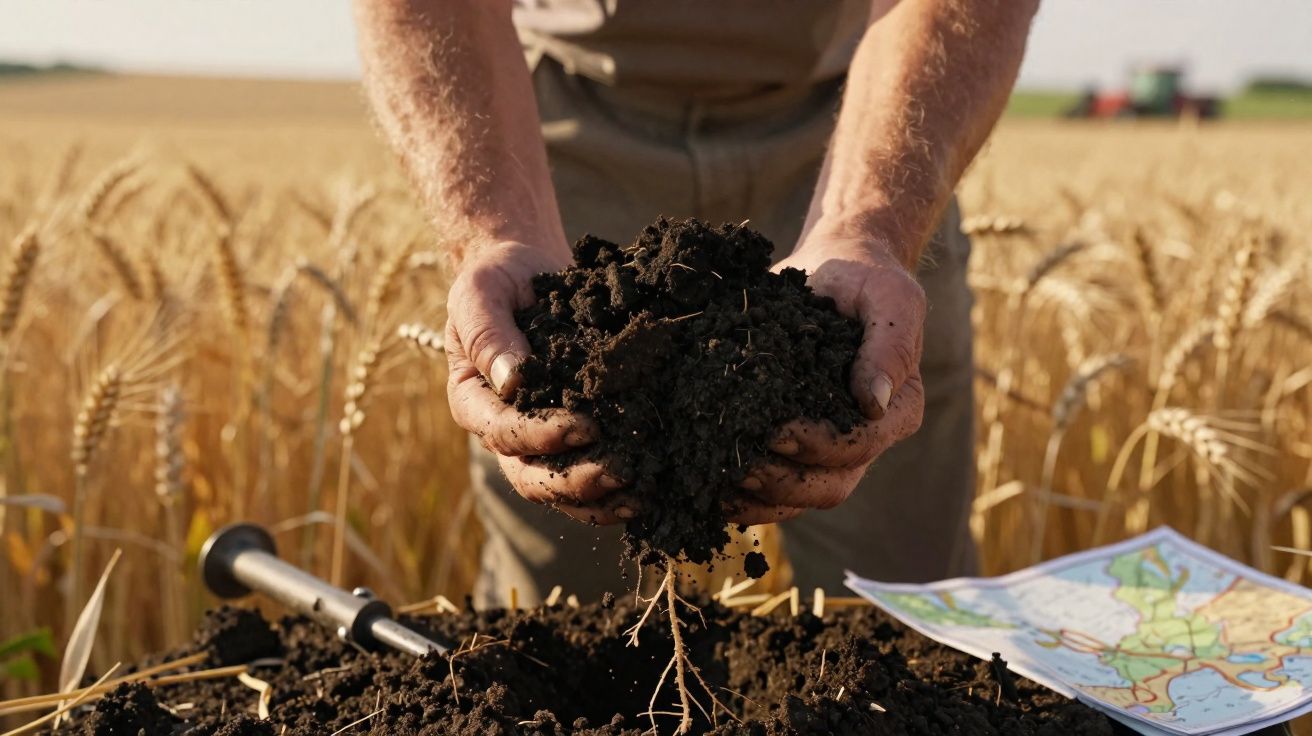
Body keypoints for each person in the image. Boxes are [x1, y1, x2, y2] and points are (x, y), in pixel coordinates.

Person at [354, 0, 1039, 606]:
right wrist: (495, 230)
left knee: (907, 616)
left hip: (875, 108)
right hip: (541, 130)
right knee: (561, 621)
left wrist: (871, 225)